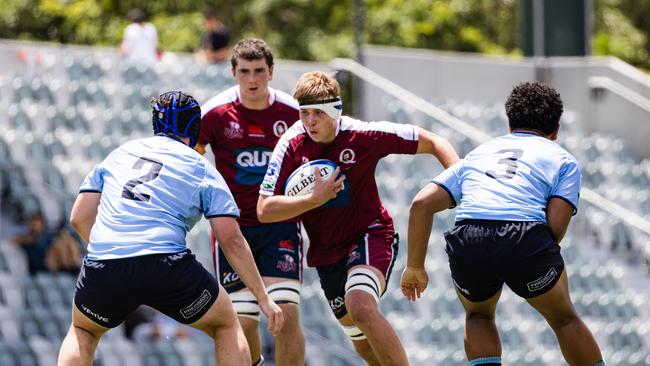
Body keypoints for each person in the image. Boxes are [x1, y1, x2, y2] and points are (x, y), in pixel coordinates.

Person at [57, 91, 283, 366]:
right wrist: (263, 298)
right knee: (225, 323)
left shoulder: (121, 153)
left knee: (83, 330)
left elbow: (79, 217)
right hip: (165, 265)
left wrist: (116, 254)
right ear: (194, 129)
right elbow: (231, 239)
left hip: (105, 263)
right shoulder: (202, 167)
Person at [257, 71, 459, 365]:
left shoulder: (363, 135)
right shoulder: (291, 143)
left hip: (370, 233)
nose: (310, 121)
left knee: (360, 305)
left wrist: (460, 183)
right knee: (364, 347)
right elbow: (264, 210)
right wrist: (313, 199)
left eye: (318, 113)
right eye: (304, 113)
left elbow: (434, 141)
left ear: (335, 111)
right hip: (327, 254)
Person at [400, 82, 605, 366]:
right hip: (524, 237)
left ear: (509, 123)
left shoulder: (478, 153)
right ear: (556, 130)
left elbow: (421, 205)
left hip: (470, 237)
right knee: (563, 318)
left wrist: (415, 267)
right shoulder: (563, 160)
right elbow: (555, 227)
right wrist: (527, 260)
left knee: (478, 315)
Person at [196, 38, 304, 366]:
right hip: (233, 230)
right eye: (245, 71)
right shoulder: (214, 114)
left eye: (259, 71)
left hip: (279, 225)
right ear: (233, 73)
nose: (252, 79)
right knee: (243, 321)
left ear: (271, 72)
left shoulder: (293, 114)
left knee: (285, 314)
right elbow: (190, 159)